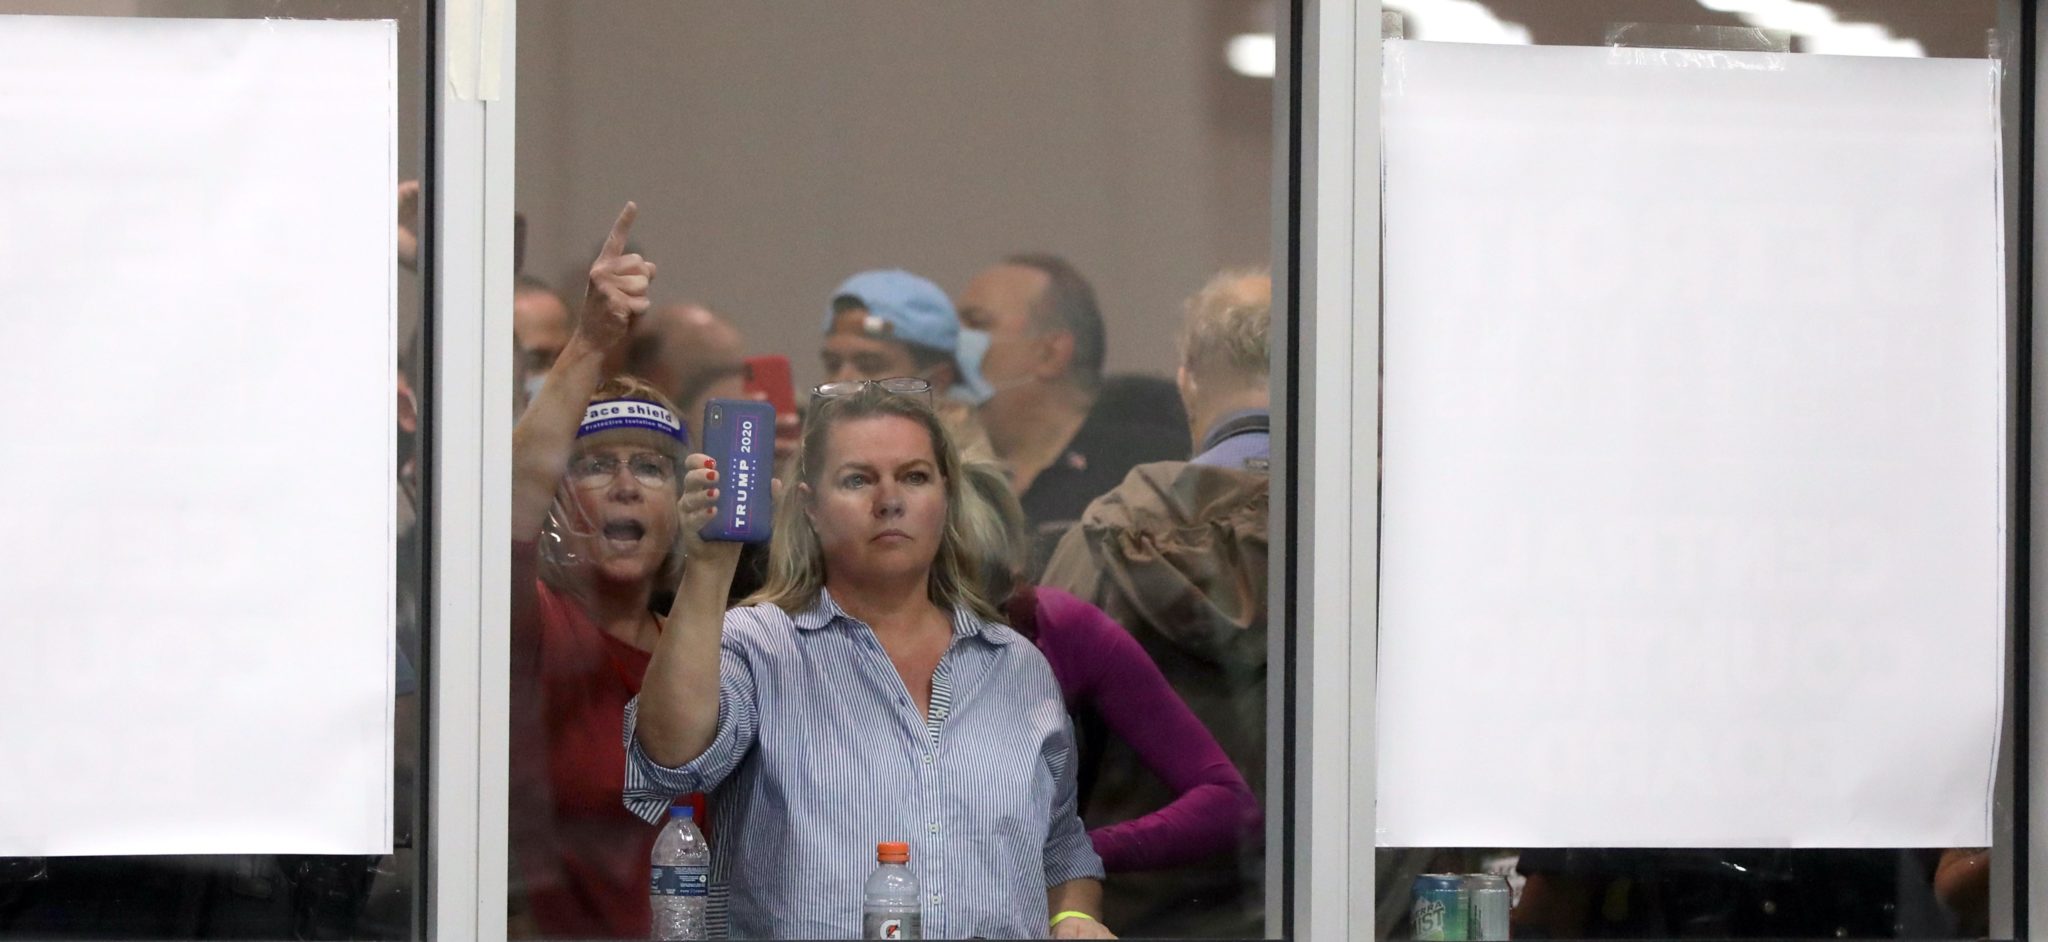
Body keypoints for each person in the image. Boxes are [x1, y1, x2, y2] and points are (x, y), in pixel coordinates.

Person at [623, 380, 1115, 940]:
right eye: (857, 479)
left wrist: (1075, 916)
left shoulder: (1017, 665)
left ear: (947, 496)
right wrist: (710, 567)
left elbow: (1061, 847)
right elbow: (670, 755)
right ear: (810, 508)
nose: (889, 500)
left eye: (914, 476)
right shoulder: (759, 645)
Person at [1037, 269, 1274, 937]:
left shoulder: (1099, 548)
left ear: (1187, 381)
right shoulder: (1388, 548)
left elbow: (1034, 768)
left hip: (1135, 922)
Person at [507, 202, 696, 939]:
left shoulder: (706, 646)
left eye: (650, 468)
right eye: (596, 466)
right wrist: (589, 340)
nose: (625, 486)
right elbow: (506, 507)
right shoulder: (535, 624)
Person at [956, 461, 1260, 873]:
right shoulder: (867, 651)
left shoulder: (1057, 627)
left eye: (1009, 598)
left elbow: (1229, 800)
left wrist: (1077, 854)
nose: (1000, 635)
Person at [955, 254, 1189, 572]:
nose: (951, 341)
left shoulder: (1147, 479)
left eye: (976, 323)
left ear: (1050, 354)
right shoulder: (956, 476)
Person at [821, 269, 996, 463]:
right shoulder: (812, 466)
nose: (842, 382)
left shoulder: (966, 477)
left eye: (869, 366)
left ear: (938, 380)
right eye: (833, 365)